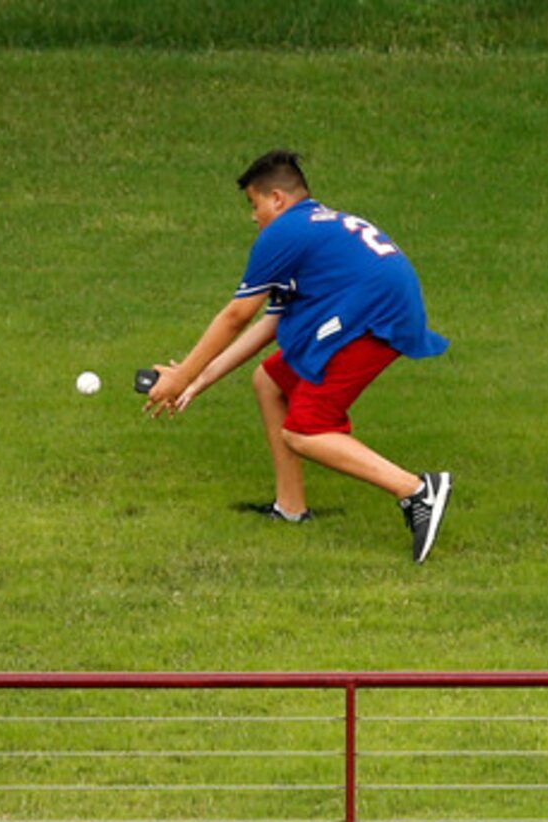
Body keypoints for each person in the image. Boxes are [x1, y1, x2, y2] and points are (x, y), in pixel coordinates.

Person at [145, 148, 453, 563]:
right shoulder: (313, 227)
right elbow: (268, 327)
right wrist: (195, 379)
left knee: (306, 429)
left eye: (254, 205)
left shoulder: (284, 232)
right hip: (372, 306)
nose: (253, 218)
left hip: (375, 317)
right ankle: (290, 508)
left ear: (277, 199)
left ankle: (416, 489)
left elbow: (237, 315)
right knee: (269, 381)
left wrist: (181, 379)